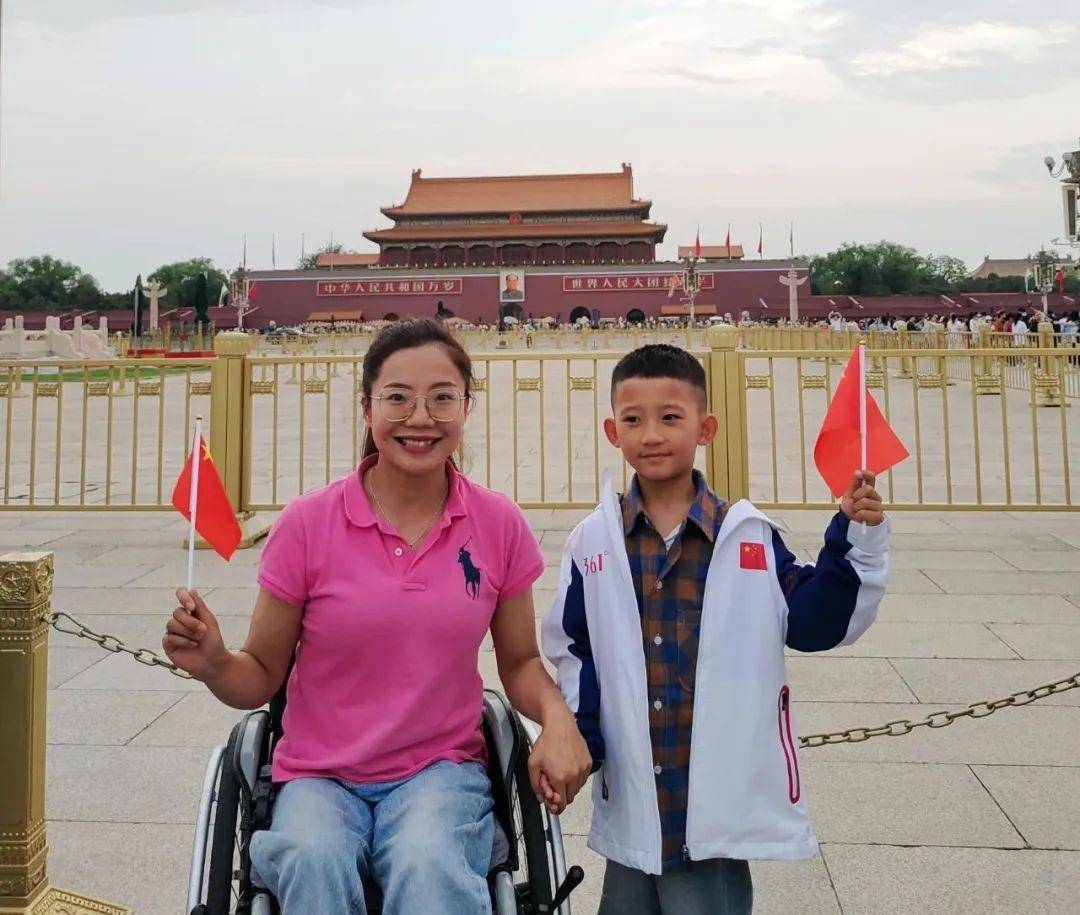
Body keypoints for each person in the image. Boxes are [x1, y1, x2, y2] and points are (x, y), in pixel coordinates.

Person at [163, 318, 591, 914]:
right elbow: (259, 672)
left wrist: (558, 720)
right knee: (312, 862)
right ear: (367, 408)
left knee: (430, 866)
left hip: (440, 771)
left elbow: (519, 661)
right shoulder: (308, 524)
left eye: (442, 398)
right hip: (318, 773)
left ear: (467, 406)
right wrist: (212, 661)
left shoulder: (497, 525)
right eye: (398, 398)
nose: (421, 419)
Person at [542, 344, 890, 915]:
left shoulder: (749, 536)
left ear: (705, 428)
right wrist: (580, 742)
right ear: (612, 431)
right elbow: (575, 650)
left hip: (712, 795)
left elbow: (816, 623)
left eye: (670, 417)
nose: (651, 434)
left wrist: (853, 540)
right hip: (635, 789)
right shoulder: (593, 542)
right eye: (633, 419)